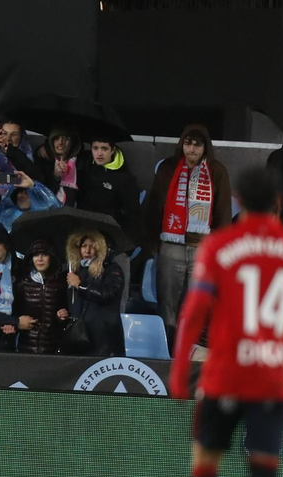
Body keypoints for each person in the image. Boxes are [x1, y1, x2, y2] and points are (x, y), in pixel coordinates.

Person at [168, 161, 283, 477]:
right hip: (274, 379)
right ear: (278, 203)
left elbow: (193, 314)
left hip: (224, 375)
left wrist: (180, 370)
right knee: (265, 472)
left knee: (204, 463)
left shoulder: (220, 245)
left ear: (236, 199)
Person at [141, 124, 232, 345]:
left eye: (197, 145)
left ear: (205, 147)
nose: (191, 149)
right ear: (182, 144)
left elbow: (223, 213)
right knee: (167, 303)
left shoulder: (216, 170)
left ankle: (190, 352)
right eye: (188, 143)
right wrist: (153, 245)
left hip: (202, 247)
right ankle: (167, 351)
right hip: (170, 244)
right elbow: (153, 206)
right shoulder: (168, 168)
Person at [65, 229, 125, 356]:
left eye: (92, 247)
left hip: (104, 338)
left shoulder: (112, 269)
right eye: (84, 246)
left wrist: (80, 285)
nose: (87, 251)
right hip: (81, 336)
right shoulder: (76, 271)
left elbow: (107, 294)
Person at [77, 134, 142, 242]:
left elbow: (132, 214)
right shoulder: (85, 167)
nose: (99, 153)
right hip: (83, 230)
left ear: (112, 150)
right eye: (95, 148)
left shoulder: (124, 178)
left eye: (104, 149)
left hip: (109, 234)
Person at [14, 239, 69, 354]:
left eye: (44, 254)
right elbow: (14, 311)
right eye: (35, 255)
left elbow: (67, 310)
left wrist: (61, 316)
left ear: (51, 257)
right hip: (26, 348)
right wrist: (17, 322)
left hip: (53, 349)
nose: (39, 259)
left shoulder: (62, 282)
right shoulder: (21, 283)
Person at [0, 167, 59, 232]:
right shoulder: (5, 214)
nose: (21, 196)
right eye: (20, 192)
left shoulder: (45, 216)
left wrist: (34, 187)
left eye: (27, 192)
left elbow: (55, 207)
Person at [34, 127, 83, 205]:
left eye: (66, 139)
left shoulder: (81, 163)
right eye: (56, 138)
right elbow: (40, 191)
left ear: (73, 142)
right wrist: (55, 176)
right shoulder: (44, 160)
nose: (60, 142)